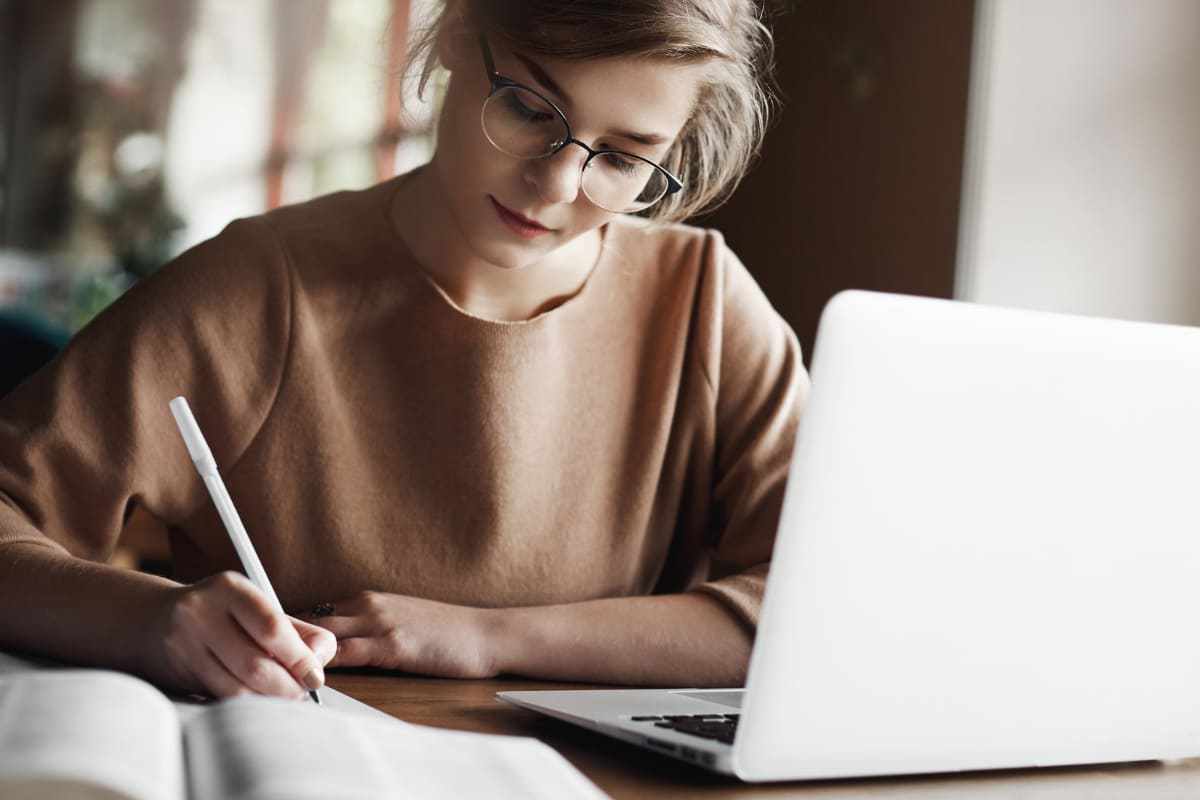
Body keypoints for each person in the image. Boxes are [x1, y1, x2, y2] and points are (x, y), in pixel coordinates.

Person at [0, 0, 808, 701]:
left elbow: (819, 610)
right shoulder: (256, 288)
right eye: (529, 109)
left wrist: (485, 638)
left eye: (625, 159)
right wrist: (150, 620)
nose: (559, 185)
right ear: (456, 30)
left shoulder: (702, 305)